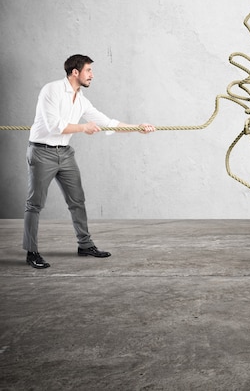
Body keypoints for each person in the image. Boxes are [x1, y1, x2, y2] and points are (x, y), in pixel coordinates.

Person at [24, 54, 155, 269]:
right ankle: (32, 252)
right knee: (35, 204)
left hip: (65, 153)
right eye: (89, 71)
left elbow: (107, 122)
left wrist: (137, 128)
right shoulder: (51, 90)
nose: (92, 75)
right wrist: (83, 127)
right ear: (75, 72)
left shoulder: (81, 99)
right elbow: (54, 126)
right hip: (42, 152)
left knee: (77, 200)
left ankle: (85, 245)